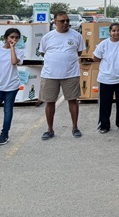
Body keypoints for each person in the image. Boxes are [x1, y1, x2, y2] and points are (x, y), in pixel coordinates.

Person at [36, 11, 84, 140]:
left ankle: (75, 127)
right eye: (62, 21)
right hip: (50, 75)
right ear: (55, 22)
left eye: (67, 20)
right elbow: (43, 53)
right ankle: (50, 129)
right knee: (49, 102)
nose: (65, 23)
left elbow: (79, 52)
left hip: (71, 74)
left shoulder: (77, 36)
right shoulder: (47, 37)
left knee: (73, 100)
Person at [92, 22, 119, 134]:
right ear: (109, 32)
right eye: (113, 31)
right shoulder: (104, 44)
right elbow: (95, 57)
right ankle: (104, 125)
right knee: (105, 104)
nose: (116, 33)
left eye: (118, 30)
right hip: (106, 79)